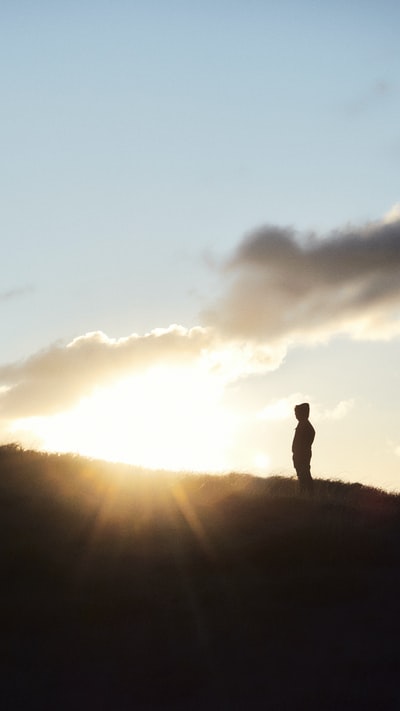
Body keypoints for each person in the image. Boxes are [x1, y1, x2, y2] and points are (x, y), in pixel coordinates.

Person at [292, 402, 315, 494]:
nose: (296, 415)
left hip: (302, 455)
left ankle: (308, 493)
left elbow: (305, 442)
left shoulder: (306, 426)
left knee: (304, 474)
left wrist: (300, 451)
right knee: (302, 474)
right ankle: (305, 493)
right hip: (299, 455)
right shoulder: (302, 425)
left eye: (297, 413)